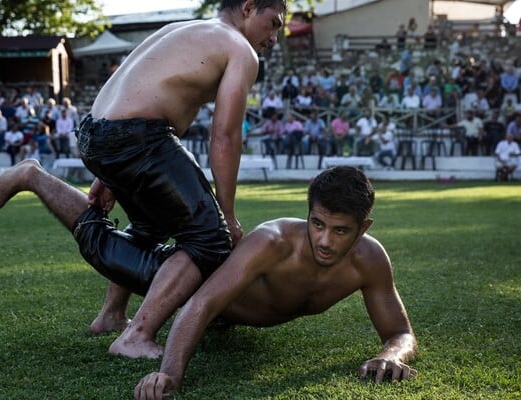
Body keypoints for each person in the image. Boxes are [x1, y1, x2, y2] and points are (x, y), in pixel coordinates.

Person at [71, 0, 287, 361]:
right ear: (249, 7)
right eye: (274, 23)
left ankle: (110, 315)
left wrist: (106, 167)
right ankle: (137, 335)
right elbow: (226, 135)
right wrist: (228, 214)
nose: (275, 37)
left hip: (96, 132)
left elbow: (125, 85)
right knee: (210, 238)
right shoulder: (240, 50)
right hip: (135, 137)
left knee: (150, 223)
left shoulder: (180, 29)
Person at [135, 166, 418, 399]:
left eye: (340, 231)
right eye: (317, 224)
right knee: (114, 253)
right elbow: (202, 302)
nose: (325, 241)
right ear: (308, 213)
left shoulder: (370, 259)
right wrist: (170, 374)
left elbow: (400, 332)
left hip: (223, 318)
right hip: (186, 283)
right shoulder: (272, 241)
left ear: (363, 228)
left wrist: (393, 355)